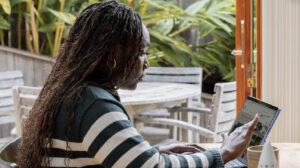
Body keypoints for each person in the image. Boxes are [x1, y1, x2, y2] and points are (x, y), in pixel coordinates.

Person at [17, 1, 259, 167]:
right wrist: (223, 153)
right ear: (112, 54)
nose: (146, 64)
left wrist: (155, 152)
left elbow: (137, 161)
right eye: (141, 52)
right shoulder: (93, 104)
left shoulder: (74, 93)